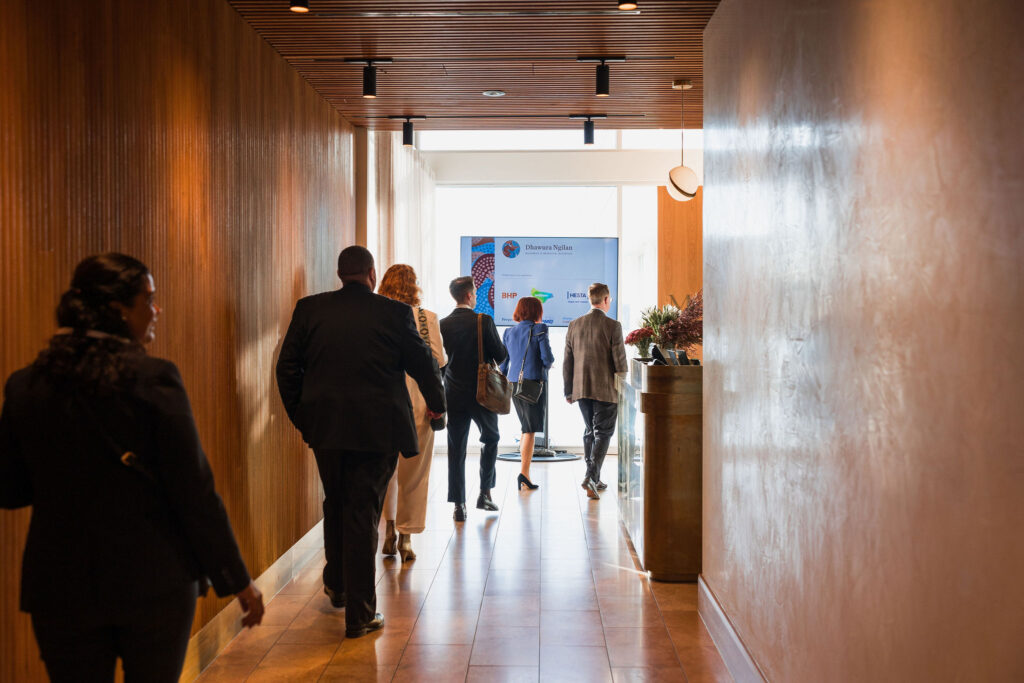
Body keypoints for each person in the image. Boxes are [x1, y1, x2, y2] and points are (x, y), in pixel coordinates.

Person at [0, 253, 263, 682]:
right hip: (154, 583)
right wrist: (238, 580)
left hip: (60, 587)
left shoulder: (25, 384)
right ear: (120, 308)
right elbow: (194, 492)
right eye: (150, 299)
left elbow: (10, 491)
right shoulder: (154, 378)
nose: (156, 310)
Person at [276, 246, 445, 638]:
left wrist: (302, 417)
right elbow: (425, 364)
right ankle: (360, 613)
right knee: (362, 511)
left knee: (335, 503)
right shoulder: (394, 313)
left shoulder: (310, 309)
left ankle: (337, 585)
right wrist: (438, 407)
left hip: (326, 428)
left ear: (340, 274)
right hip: (377, 431)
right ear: (371, 274)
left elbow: (287, 367)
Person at [377, 264, 447, 563]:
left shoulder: (377, 313)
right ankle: (406, 537)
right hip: (419, 399)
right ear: (414, 286)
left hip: (382, 398)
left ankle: (389, 529)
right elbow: (438, 361)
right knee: (414, 473)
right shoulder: (425, 317)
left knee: (385, 471)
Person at [439, 276, 507, 521]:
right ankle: (485, 493)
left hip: (453, 393)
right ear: (469, 295)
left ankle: (459, 505)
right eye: (475, 292)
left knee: (456, 448)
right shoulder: (483, 321)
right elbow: (500, 355)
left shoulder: (442, 324)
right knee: (491, 438)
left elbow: (439, 362)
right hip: (482, 394)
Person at [563, 282, 628, 499]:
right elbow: (620, 362)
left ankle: (594, 477)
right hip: (606, 389)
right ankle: (591, 476)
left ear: (590, 300)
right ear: (606, 300)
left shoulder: (574, 324)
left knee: (590, 430)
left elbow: (568, 362)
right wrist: (624, 387)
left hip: (581, 388)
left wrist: (568, 390)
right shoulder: (613, 326)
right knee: (604, 432)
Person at [498, 296, 554, 491]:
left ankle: (525, 472)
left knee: (525, 427)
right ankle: (524, 473)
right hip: (533, 384)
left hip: (514, 383)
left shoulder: (509, 332)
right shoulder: (540, 329)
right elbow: (547, 359)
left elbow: (503, 364)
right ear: (537, 311)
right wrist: (546, 363)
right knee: (530, 429)